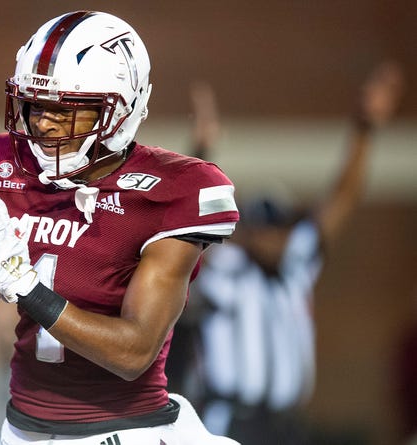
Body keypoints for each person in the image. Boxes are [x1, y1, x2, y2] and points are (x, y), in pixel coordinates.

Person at [0, 10, 240, 445]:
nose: (43, 123)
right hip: (21, 432)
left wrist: (28, 290)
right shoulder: (4, 168)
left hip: (126, 433)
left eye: (66, 110)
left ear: (121, 109)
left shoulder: (170, 190)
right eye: (36, 105)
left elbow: (134, 351)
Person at [167, 61, 405, 444]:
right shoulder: (225, 268)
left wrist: (364, 129)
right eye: (265, 228)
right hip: (229, 420)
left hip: (287, 424)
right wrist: (201, 152)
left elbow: (342, 198)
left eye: (281, 227)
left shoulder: (297, 264)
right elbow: (187, 225)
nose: (273, 239)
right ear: (247, 231)